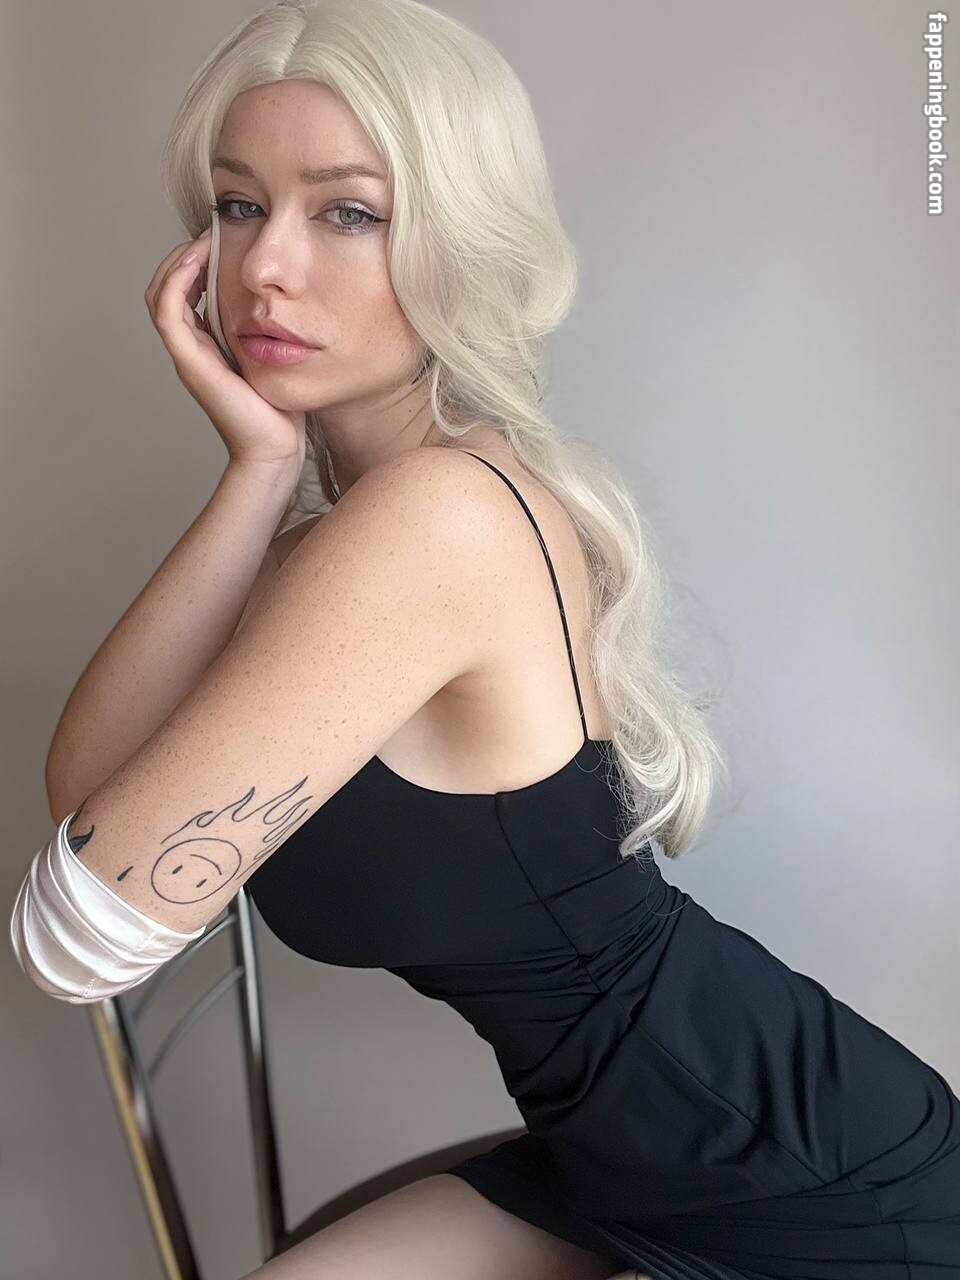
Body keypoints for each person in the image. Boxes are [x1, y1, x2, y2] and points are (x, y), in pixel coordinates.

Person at [11, 2, 959, 1277]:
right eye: (239, 206)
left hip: (807, 1193)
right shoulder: (358, 526)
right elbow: (95, 803)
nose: (267, 267)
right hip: (611, 1156)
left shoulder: (438, 520)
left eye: (348, 213)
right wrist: (257, 471)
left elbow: (75, 935)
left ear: (460, 241)